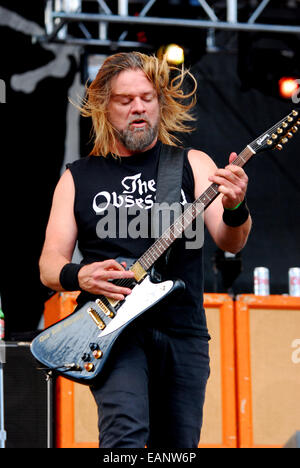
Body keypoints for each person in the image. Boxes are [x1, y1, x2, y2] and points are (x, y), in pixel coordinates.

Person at [39, 51, 251, 448]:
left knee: (177, 447)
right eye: (125, 100)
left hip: (182, 331)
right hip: (113, 330)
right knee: (127, 436)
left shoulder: (192, 163)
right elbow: (49, 265)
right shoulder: (78, 177)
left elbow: (230, 239)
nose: (138, 108)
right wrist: (80, 274)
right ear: (104, 106)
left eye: (147, 98)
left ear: (160, 102)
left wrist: (236, 206)